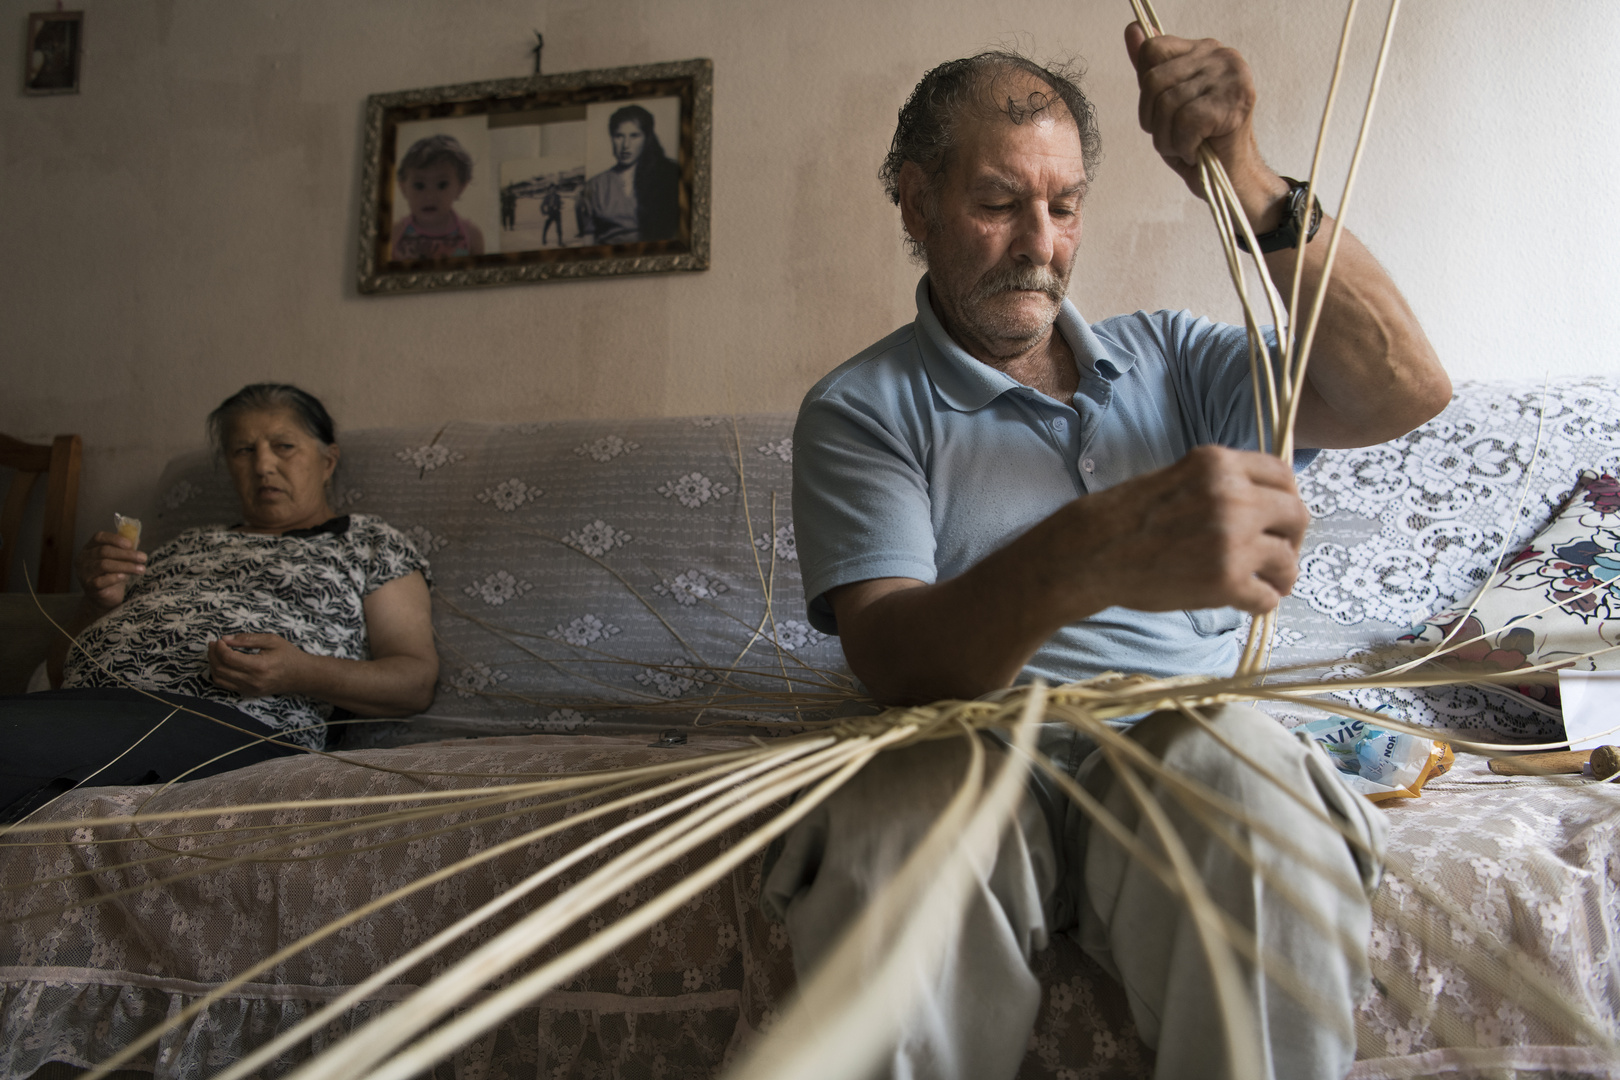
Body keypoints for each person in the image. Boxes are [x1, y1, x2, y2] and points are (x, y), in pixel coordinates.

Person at [764, 24, 1450, 1080]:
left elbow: (1401, 390)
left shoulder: (1173, 360)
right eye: (998, 203)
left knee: (1247, 791)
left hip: (1184, 737)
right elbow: (894, 659)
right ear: (915, 202)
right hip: (974, 745)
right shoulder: (862, 409)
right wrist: (1088, 552)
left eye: (1065, 204)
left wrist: (1245, 174)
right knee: (892, 831)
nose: (1040, 242)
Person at [1, 385, 438, 823]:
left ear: (328, 461)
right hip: (84, 709)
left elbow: (414, 681)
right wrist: (95, 604)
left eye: (284, 446)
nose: (263, 465)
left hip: (230, 727)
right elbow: (59, 674)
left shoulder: (369, 542)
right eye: (243, 450)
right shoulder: (184, 545)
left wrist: (300, 671)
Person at [580, 104, 681, 244]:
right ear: (611, 138)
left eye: (634, 136)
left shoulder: (667, 177)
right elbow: (588, 240)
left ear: (647, 139)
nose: (625, 145)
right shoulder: (595, 186)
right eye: (619, 136)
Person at [390, 134, 486, 260]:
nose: (429, 196)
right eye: (419, 186)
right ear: (403, 188)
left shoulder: (472, 236)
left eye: (442, 185)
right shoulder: (396, 234)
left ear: (461, 187)